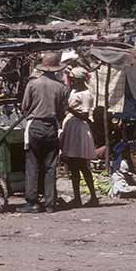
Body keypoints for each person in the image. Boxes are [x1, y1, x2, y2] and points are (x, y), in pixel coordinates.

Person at [19, 52, 69, 213]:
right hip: (52, 127)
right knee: (50, 166)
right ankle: (50, 203)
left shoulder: (33, 84)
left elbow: (25, 107)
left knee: (33, 164)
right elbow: (63, 111)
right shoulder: (62, 87)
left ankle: (32, 202)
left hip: (36, 125)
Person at [60, 67, 98, 207]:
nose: (72, 82)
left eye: (74, 80)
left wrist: (69, 109)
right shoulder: (74, 91)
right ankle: (77, 198)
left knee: (82, 165)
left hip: (79, 130)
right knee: (73, 165)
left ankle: (93, 196)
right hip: (71, 129)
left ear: (80, 80)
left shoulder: (86, 94)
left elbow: (85, 116)